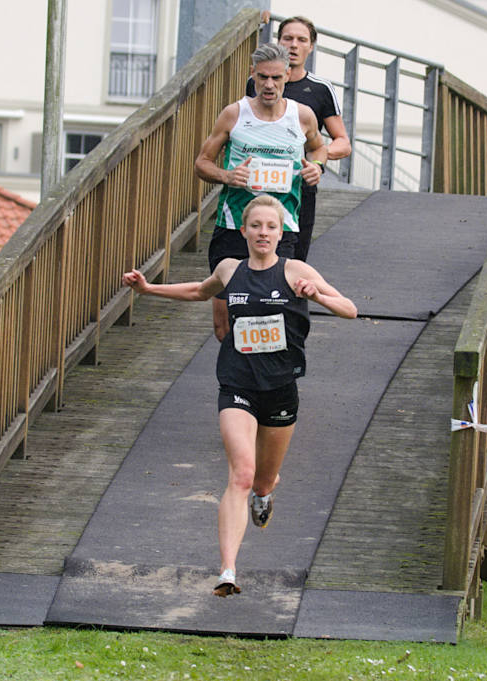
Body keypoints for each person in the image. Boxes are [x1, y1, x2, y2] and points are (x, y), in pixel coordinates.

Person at [122, 195, 357, 597]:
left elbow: (349, 309)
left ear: (281, 233)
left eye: (271, 226)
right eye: (256, 226)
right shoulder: (230, 270)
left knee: (263, 480)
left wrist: (316, 296)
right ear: (244, 231)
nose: (263, 233)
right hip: (237, 384)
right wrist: (148, 289)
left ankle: (265, 495)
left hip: (281, 388)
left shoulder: (296, 269)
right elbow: (199, 291)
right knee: (241, 474)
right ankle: (227, 570)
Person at [195, 43, 328, 342]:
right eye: (263, 77)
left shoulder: (302, 116)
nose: (269, 85)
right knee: (224, 325)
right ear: (252, 75)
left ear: (288, 76)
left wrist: (316, 166)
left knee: (275, 315)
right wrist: (227, 176)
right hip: (233, 227)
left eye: (277, 78)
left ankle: (268, 382)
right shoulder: (234, 114)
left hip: (280, 230)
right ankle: (236, 380)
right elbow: (202, 164)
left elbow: (319, 147)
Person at [247, 15, 352, 262]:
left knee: (294, 258)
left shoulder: (320, 88)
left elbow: (343, 142)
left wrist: (314, 160)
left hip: (299, 184)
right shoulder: (256, 83)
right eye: (287, 38)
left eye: (301, 39)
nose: (293, 45)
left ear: (311, 47)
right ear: (278, 41)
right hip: (258, 181)